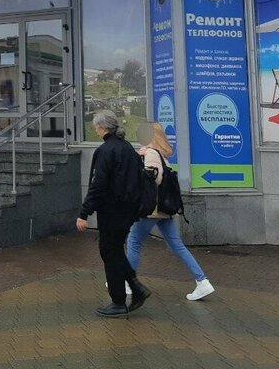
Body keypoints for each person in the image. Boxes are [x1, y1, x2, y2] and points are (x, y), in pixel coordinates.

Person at [127, 122, 215, 302]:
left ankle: (128, 282)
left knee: (134, 241)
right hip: (164, 209)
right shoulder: (161, 153)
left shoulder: (151, 153)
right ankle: (202, 281)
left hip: (151, 209)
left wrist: (140, 165)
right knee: (176, 245)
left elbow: (153, 178)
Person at [76, 111, 151, 318]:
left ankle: (118, 301)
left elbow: (98, 185)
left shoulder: (105, 151)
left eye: (96, 127)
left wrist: (84, 213)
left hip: (111, 211)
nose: (95, 131)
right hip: (128, 210)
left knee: (109, 252)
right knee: (115, 251)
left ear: (102, 128)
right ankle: (136, 287)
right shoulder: (127, 148)